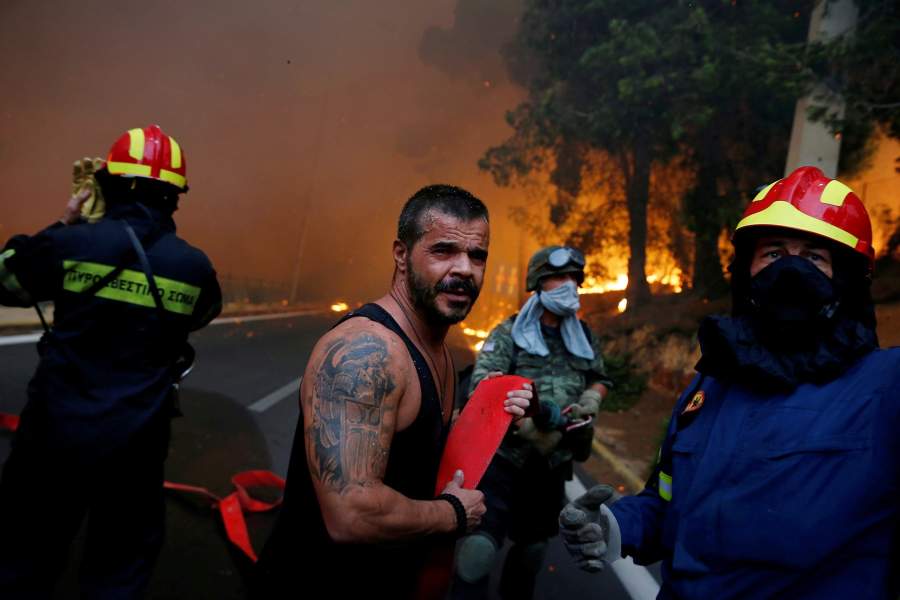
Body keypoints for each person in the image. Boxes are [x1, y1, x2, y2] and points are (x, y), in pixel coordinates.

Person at [560, 166, 900, 599]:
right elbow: (670, 503)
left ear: (848, 282)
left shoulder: (886, 389)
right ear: (746, 273)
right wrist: (615, 526)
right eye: (774, 254)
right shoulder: (708, 388)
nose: (791, 271)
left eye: (814, 257)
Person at [253, 185, 533, 598]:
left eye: (477, 256)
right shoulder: (367, 353)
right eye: (443, 251)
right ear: (402, 255)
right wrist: (453, 513)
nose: (465, 270)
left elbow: (413, 442)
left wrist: (490, 419)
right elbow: (351, 512)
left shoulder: (437, 349)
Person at [0, 125, 222, 599]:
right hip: (136, 444)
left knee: (23, 556)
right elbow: (202, 314)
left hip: (54, 433)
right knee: (117, 570)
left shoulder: (72, 245)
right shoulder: (194, 267)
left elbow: (7, 279)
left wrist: (66, 223)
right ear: (175, 195)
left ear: (110, 183)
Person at [451, 245, 612, 599]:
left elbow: (600, 376)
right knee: (477, 552)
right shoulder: (510, 333)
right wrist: (520, 418)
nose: (569, 284)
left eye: (574, 278)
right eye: (559, 277)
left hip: (551, 465)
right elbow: (482, 386)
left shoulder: (584, 337)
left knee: (532, 553)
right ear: (539, 282)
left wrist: (592, 398)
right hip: (504, 460)